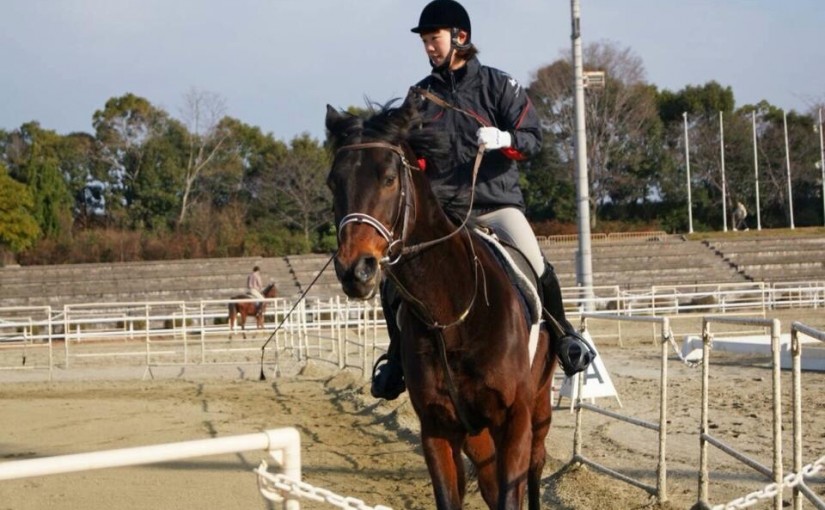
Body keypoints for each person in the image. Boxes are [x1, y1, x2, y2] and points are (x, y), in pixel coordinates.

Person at [370, 0, 596, 400]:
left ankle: (564, 337)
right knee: (395, 279)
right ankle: (397, 359)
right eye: (424, 41)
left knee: (538, 264)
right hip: (444, 213)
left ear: (460, 37)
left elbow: (533, 137)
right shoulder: (419, 96)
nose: (428, 48)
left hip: (496, 205)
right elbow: (410, 156)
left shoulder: (498, 85)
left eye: (433, 39)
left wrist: (504, 139)